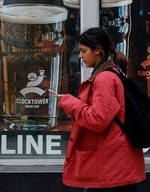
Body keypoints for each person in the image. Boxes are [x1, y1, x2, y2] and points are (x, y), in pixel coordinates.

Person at [50, 27, 146, 192]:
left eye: (83, 51)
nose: (80, 56)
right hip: (116, 165)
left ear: (98, 51)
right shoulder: (112, 74)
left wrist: (69, 102)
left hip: (112, 169)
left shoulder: (104, 79)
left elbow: (97, 120)